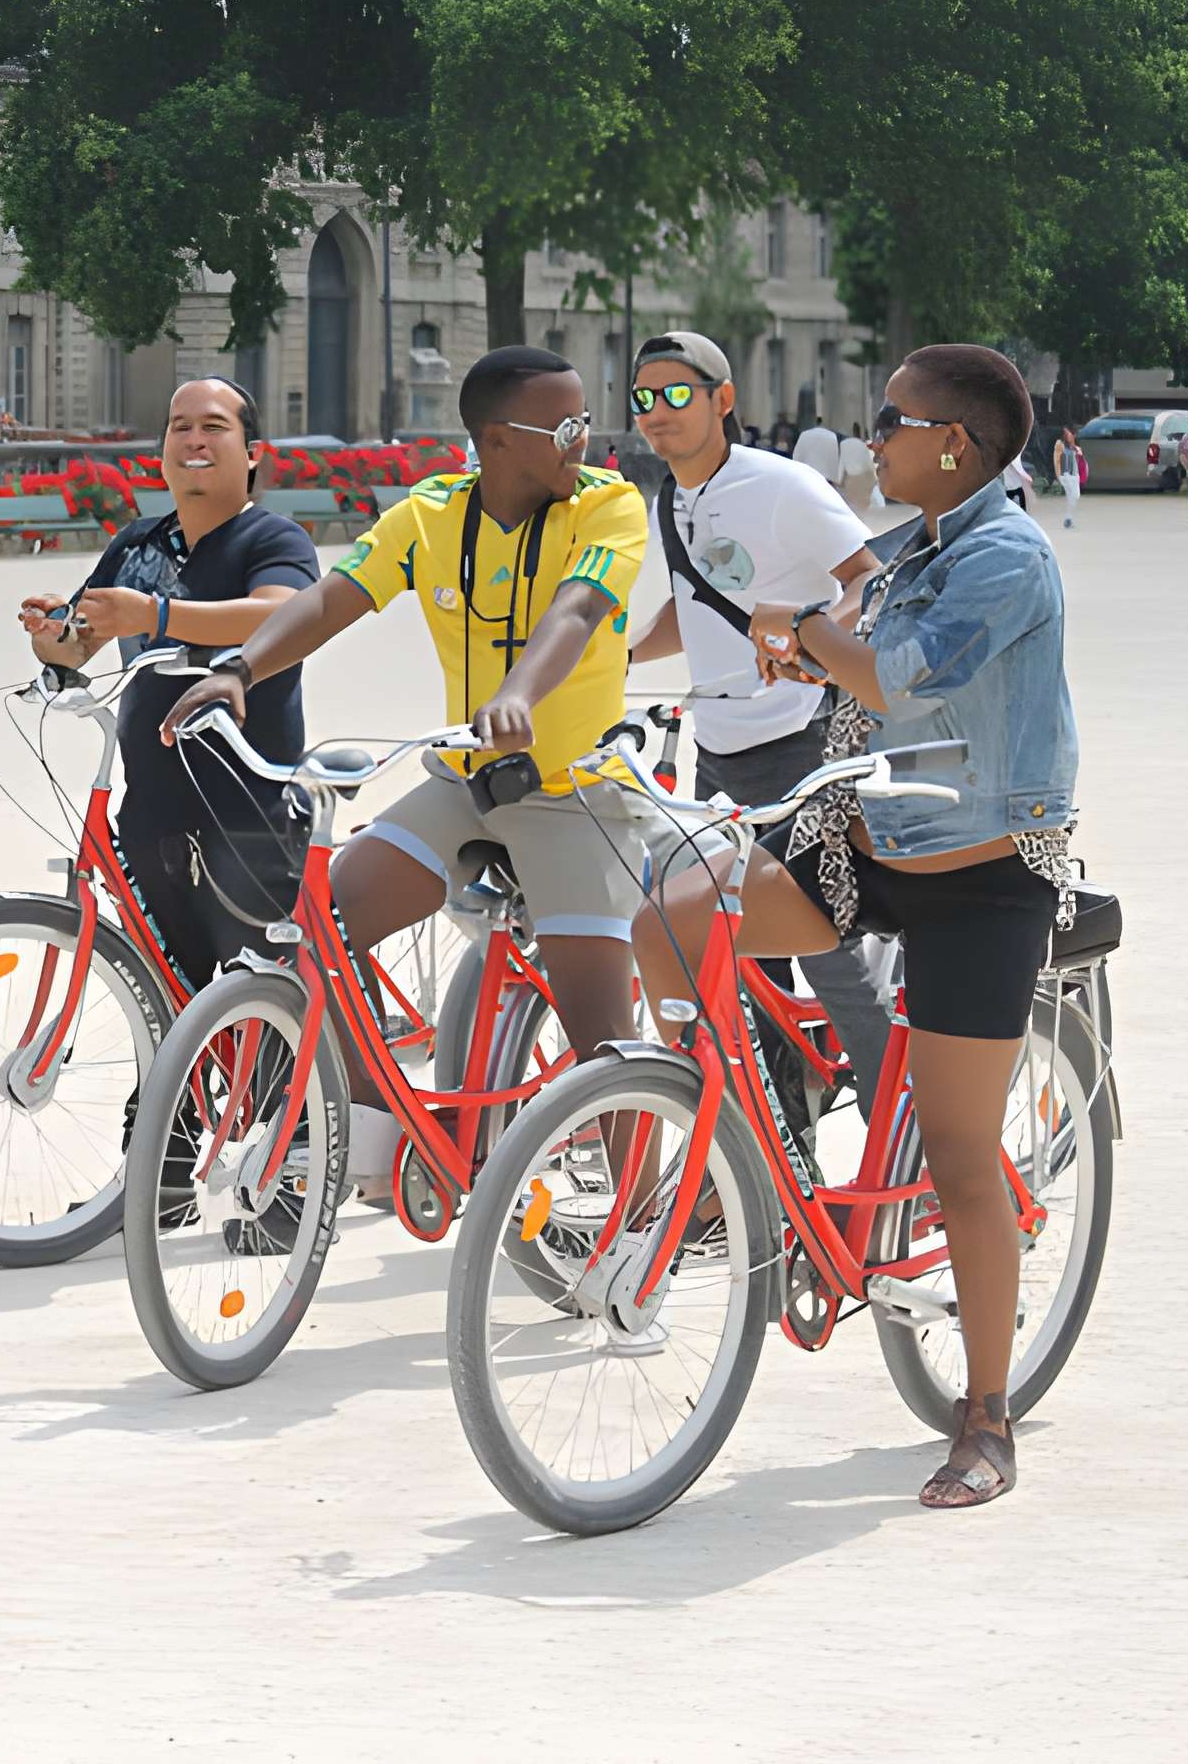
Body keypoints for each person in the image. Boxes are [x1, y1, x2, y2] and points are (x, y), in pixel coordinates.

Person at [640, 343, 1076, 1510]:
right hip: (867, 843)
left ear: (953, 444)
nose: (868, 437)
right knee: (674, 908)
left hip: (980, 880)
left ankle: (982, 1417)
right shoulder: (903, 550)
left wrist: (804, 630)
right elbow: (827, 642)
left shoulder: (1005, 558)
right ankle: (731, 1140)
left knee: (958, 1158)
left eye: (890, 421)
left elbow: (892, 677)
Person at [161, 346, 659, 1184]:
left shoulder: (607, 505)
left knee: (602, 1047)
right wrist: (239, 669)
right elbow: (333, 597)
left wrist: (521, 695)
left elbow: (577, 612)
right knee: (314, 934)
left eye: (587, 419)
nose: (587, 439)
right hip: (466, 783)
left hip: (574, 795)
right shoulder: (431, 515)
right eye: (567, 425)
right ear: (499, 440)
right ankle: (387, 1131)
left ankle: (641, 1234)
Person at [620, 332, 895, 1101]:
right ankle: (781, 1169)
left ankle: (909, 1156)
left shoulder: (782, 487)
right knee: (739, 962)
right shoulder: (671, 497)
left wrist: (810, 628)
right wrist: (623, 656)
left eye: (679, 394)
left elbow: (871, 581)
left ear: (723, 399)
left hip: (804, 745)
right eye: (644, 398)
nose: (658, 412)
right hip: (719, 759)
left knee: (832, 959)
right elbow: (697, 609)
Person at [20, 377, 320, 995]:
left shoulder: (274, 539)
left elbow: (282, 615)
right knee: (160, 992)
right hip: (151, 812)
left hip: (249, 817)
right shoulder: (136, 542)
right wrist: (49, 632)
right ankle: (166, 1096)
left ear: (253, 451)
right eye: (179, 426)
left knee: (257, 1007)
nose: (194, 439)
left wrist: (156, 616)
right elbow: (80, 640)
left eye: (214, 426)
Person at [1053, 424, 1085, 528]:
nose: (1070, 435)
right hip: (1065, 474)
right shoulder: (1059, 444)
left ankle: (1068, 518)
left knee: (1075, 496)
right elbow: (1056, 460)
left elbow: (1080, 458)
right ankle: (1068, 519)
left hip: (1075, 474)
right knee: (1072, 495)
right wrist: (1058, 474)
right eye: (1067, 433)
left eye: (1071, 433)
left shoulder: (1075, 446)